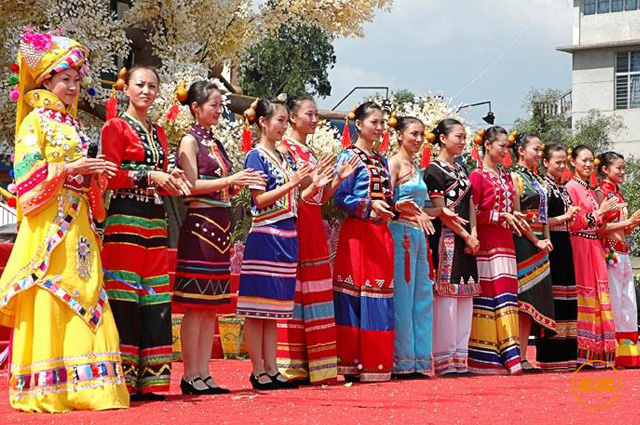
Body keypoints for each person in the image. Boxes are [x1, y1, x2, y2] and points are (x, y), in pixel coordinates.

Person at [0, 30, 129, 412]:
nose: (73, 87)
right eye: (65, 80)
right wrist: (73, 167)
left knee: (88, 295)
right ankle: (48, 387)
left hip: (80, 226)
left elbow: (79, 175)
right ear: (47, 81)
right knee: (52, 293)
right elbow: (25, 179)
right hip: (49, 227)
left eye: (76, 80)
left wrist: (96, 175)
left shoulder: (74, 125)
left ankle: (91, 387)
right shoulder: (34, 123)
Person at [101, 66, 191, 401]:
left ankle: (151, 380)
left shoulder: (158, 132)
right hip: (125, 217)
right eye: (140, 85)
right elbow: (110, 175)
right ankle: (122, 378)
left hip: (155, 219)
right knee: (124, 296)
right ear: (126, 89)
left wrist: (172, 179)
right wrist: (150, 176)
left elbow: (159, 176)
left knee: (154, 296)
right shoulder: (115, 126)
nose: (147, 91)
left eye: (152, 86)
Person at [175, 81, 264, 393]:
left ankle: (204, 372)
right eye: (213, 105)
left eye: (219, 105)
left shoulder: (214, 142)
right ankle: (190, 374)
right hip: (200, 225)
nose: (218, 110)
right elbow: (190, 185)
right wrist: (231, 178)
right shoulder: (189, 141)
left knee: (210, 305)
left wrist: (236, 184)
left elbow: (219, 183)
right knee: (195, 305)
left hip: (220, 224)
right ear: (196, 108)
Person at [237, 98, 331, 390]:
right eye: (278, 120)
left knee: (274, 309)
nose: (282, 126)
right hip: (266, 234)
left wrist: (319, 182)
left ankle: (271, 367)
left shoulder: (284, 157)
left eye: (284, 121)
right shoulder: (256, 156)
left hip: (288, 233)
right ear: (263, 122)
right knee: (257, 308)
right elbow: (259, 200)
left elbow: (298, 199)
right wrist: (294, 182)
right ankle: (258, 369)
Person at [276, 96, 357, 385]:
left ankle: (317, 364)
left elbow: (319, 197)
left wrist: (337, 180)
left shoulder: (310, 152)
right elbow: (292, 194)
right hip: (295, 224)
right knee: (295, 293)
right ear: (293, 117)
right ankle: (290, 364)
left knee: (313, 289)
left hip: (313, 225)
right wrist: (314, 187)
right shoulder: (284, 151)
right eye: (309, 114)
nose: (314, 120)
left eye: (315, 115)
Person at [333, 102, 415, 382]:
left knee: (380, 294)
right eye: (374, 123)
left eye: (382, 123)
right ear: (359, 125)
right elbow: (340, 199)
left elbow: (387, 198)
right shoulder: (348, 157)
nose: (380, 128)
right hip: (358, 233)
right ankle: (351, 364)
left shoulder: (381, 161)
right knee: (355, 295)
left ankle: (376, 364)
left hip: (380, 234)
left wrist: (396, 204)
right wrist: (369, 207)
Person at [468, 126, 527, 375]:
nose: (505, 150)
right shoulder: (477, 176)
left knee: (507, 297)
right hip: (487, 245)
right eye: (501, 145)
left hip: (506, 244)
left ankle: (511, 354)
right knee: (489, 298)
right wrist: (499, 215)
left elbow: (510, 209)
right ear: (487, 145)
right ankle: (486, 358)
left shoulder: (506, 177)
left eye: (506, 146)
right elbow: (473, 214)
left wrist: (516, 216)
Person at [424, 118, 480, 376]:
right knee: (446, 298)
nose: (462, 141)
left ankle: (461, 356)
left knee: (465, 296)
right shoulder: (433, 170)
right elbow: (441, 210)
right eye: (458, 136)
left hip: (466, 239)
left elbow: (470, 205)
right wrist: (466, 236)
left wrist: (474, 234)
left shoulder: (461, 170)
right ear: (443, 138)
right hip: (446, 238)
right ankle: (445, 358)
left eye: (464, 137)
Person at [565, 145, 618, 366]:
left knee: (598, 294)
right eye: (584, 160)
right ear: (573, 162)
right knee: (585, 293)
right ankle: (585, 351)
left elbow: (595, 222)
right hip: (579, 245)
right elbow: (574, 222)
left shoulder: (589, 189)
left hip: (594, 246)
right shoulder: (571, 187)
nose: (588, 165)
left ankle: (599, 353)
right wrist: (600, 213)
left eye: (590, 160)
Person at [510, 133, 556, 371]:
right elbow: (518, 215)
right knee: (522, 298)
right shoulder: (514, 176)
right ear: (521, 150)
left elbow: (543, 214)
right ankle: (516, 355)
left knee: (532, 300)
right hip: (524, 241)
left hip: (540, 241)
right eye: (536, 149)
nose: (539, 154)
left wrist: (546, 238)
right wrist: (536, 241)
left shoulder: (536, 179)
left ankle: (523, 356)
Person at [536, 144, 580, 371]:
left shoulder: (561, 188)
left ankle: (568, 353)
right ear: (546, 162)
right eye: (558, 162)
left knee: (567, 296)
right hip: (552, 242)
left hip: (565, 243)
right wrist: (566, 216)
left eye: (564, 162)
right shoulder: (544, 186)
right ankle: (551, 355)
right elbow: (542, 220)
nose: (562, 166)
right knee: (554, 298)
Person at [596, 151, 640, 367]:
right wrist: (627, 223)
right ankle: (613, 352)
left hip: (622, 250)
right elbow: (600, 228)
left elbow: (622, 229)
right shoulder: (602, 193)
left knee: (628, 301)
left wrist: (631, 225)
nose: (623, 172)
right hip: (610, 252)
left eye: (624, 168)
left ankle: (628, 354)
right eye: (619, 168)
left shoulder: (617, 193)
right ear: (605, 169)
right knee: (615, 301)